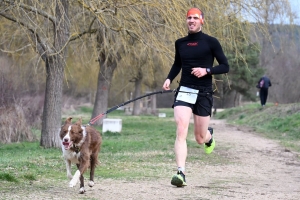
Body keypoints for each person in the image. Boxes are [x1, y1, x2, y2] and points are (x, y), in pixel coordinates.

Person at [162, 8, 229, 187]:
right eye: (189, 18)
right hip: (184, 90)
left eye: (195, 18)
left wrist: (207, 70)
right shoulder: (180, 43)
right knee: (181, 127)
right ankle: (180, 173)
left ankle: (209, 136)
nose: (191, 20)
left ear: (202, 21)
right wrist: (169, 78)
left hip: (204, 92)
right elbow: (178, 64)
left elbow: (225, 66)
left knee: (199, 138)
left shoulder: (211, 42)